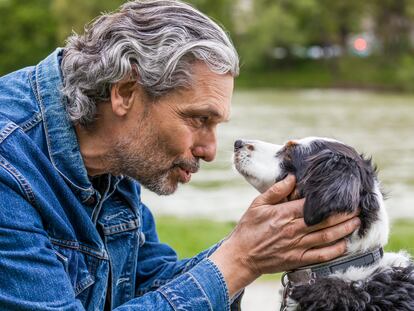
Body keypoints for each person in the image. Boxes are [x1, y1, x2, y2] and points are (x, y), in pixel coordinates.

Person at [0, 0, 360, 310]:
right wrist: (240, 259)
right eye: (199, 119)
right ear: (125, 91)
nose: (209, 150)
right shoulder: (8, 166)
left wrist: (259, 244)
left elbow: (149, 282)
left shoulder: (108, 152)